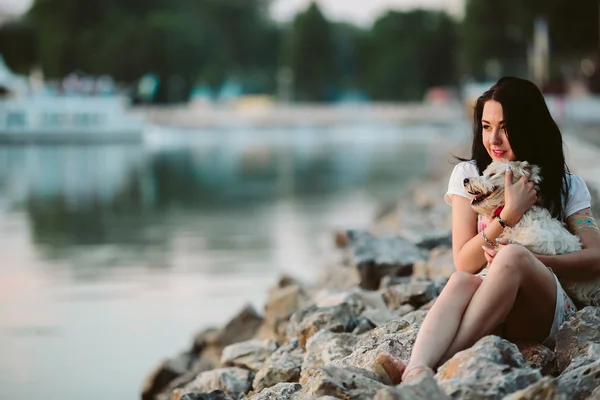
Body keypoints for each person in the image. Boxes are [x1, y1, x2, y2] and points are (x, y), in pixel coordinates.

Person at [373, 77, 600, 384]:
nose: (494, 139)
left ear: (529, 126)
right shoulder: (469, 177)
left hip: (545, 309)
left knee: (513, 258)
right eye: (486, 126)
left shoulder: (567, 185)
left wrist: (535, 262)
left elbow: (596, 257)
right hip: (490, 306)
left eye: (505, 127)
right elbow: (464, 262)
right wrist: (508, 215)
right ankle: (417, 368)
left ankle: (437, 364)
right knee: (459, 282)